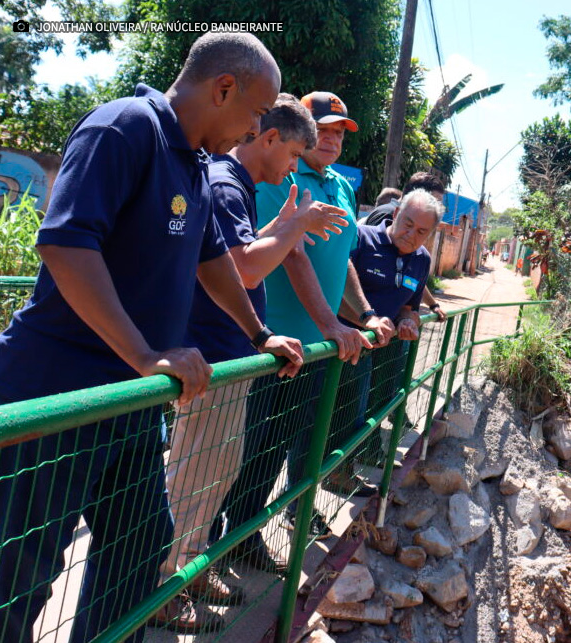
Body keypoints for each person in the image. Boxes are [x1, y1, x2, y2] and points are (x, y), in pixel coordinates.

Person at [0, 33, 307, 641]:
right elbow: (65, 243)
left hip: (132, 399)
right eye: (252, 114)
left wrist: (259, 333)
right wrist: (145, 354)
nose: (252, 131)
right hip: (62, 392)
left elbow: (212, 259)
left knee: (143, 549)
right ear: (223, 89)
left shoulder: (193, 163)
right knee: (19, 576)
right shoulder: (125, 127)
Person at [157, 94, 348, 620]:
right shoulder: (224, 183)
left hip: (225, 355)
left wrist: (284, 229)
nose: (292, 167)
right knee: (197, 473)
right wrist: (293, 229)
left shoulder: (237, 186)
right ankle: (164, 584)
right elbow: (241, 270)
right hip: (211, 357)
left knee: (215, 470)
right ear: (269, 139)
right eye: (291, 155)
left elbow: (236, 255)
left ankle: (188, 568)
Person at [217, 91, 394, 572]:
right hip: (276, 342)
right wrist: (330, 323)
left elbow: (343, 260)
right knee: (248, 451)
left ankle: (248, 533)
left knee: (284, 445)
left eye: (340, 132)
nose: (333, 139)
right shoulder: (283, 175)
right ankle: (226, 542)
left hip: (316, 345)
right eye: (326, 130)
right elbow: (290, 252)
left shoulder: (340, 185)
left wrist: (364, 314)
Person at [339, 189, 443, 440]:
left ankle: (347, 472)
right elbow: (333, 293)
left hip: (378, 351)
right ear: (396, 213)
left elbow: (411, 307)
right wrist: (368, 321)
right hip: (337, 347)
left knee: (363, 415)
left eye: (421, 232)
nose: (411, 235)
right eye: (408, 224)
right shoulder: (361, 239)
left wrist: (408, 321)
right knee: (328, 422)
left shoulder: (422, 260)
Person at [361, 171, 448, 321]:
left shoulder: (421, 257)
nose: (435, 206)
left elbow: (410, 280)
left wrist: (410, 315)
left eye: (421, 231)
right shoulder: (379, 222)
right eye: (435, 200)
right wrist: (368, 319)